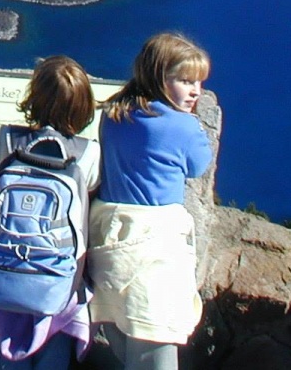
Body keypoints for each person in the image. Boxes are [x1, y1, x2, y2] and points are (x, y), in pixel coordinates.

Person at [0, 55, 100, 370]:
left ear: (33, 97)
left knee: (6, 354)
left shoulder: (8, 138)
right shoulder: (88, 153)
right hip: (58, 278)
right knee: (54, 356)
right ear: (84, 106)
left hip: (5, 270)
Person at [87, 32, 213, 370]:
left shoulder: (113, 113)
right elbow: (198, 165)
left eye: (198, 82)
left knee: (122, 338)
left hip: (109, 239)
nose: (195, 91)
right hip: (154, 249)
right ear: (159, 77)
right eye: (185, 81)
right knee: (155, 344)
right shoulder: (182, 126)